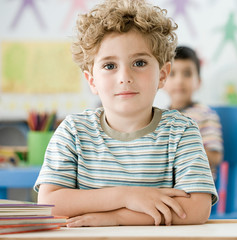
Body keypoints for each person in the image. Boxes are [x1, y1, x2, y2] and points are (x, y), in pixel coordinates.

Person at [34, 0, 218, 228]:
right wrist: (126, 196)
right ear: (92, 80)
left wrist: (117, 218)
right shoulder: (73, 132)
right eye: (110, 66)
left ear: (162, 75)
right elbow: (49, 204)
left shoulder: (181, 131)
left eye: (139, 62)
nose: (124, 77)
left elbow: (197, 208)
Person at [163, 46, 223, 179]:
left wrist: (186, 147)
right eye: (172, 74)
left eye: (187, 74)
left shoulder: (205, 115)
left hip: (196, 186)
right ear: (162, 80)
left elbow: (216, 157)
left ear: (199, 82)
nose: (179, 81)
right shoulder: (159, 116)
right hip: (167, 185)